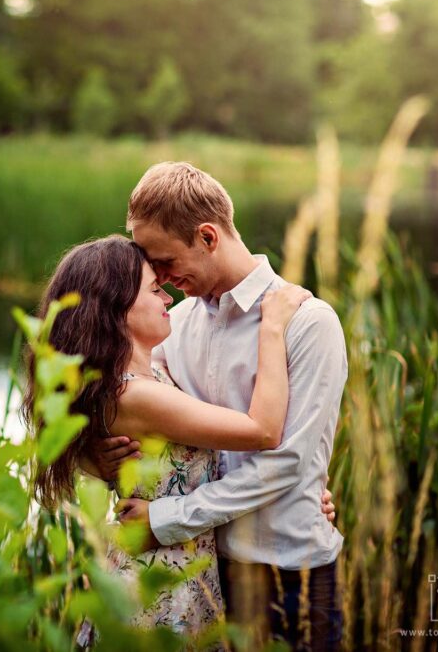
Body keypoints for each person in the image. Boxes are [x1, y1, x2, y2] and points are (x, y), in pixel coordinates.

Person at [22, 235, 335, 645]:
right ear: (117, 310)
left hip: (186, 576)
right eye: (154, 290)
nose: (168, 298)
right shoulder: (137, 394)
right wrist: (272, 329)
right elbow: (262, 431)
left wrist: (303, 488)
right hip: (161, 587)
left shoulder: (151, 371)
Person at [97, 162, 347, 651]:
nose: (161, 280)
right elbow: (126, 410)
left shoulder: (307, 323)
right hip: (204, 572)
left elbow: (288, 463)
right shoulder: (173, 326)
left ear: (208, 237)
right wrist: (96, 456)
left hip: (287, 572)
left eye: (165, 261)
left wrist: (164, 519)